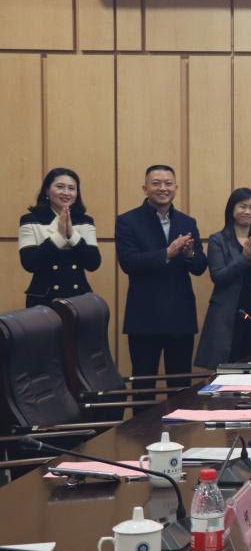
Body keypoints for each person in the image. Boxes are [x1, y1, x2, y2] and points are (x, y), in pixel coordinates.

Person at [115, 165, 207, 388]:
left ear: (176, 187)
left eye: (168, 183)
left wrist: (189, 254)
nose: (163, 188)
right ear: (145, 188)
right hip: (144, 316)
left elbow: (200, 267)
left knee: (180, 386)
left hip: (180, 316)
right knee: (143, 385)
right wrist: (167, 253)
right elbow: (129, 263)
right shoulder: (127, 221)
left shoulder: (187, 222)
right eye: (156, 183)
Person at [195, 188, 251, 369]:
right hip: (227, 314)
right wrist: (244, 259)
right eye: (242, 206)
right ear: (231, 209)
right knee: (227, 370)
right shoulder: (218, 240)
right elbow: (218, 277)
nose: (247, 211)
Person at [19, 167, 101, 307]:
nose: (66, 193)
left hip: (79, 299)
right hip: (43, 300)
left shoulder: (86, 221)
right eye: (60, 187)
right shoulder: (30, 220)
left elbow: (93, 263)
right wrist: (59, 236)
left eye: (71, 188)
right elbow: (29, 263)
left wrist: (72, 235)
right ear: (47, 191)